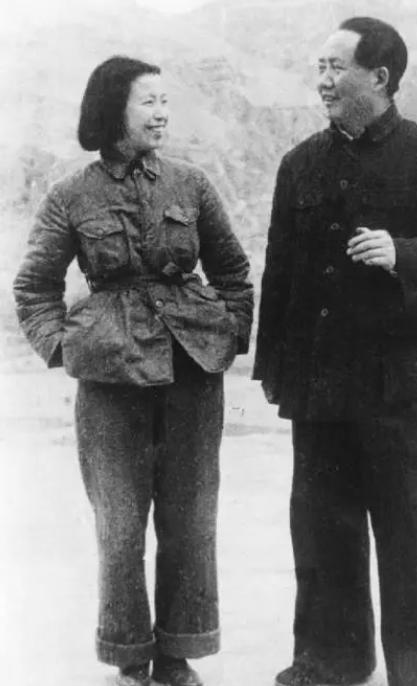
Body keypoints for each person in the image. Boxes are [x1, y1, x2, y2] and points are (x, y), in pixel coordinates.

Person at [253, 16, 417, 686]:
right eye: (319, 68)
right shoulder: (299, 163)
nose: (322, 81)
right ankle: (329, 662)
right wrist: (273, 366)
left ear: (379, 77)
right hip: (319, 382)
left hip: (406, 386)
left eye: (336, 67)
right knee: (322, 533)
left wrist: (402, 253)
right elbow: (280, 271)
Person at [14, 56, 253, 686]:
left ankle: (177, 656)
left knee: (190, 522)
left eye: (165, 101)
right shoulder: (71, 194)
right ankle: (128, 659)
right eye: (149, 101)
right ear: (113, 108)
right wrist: (62, 348)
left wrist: (229, 335)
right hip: (109, 383)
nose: (162, 113)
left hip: (192, 374)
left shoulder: (192, 184)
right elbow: (34, 287)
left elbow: (233, 272)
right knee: (119, 528)